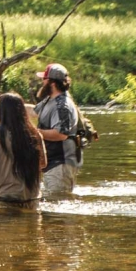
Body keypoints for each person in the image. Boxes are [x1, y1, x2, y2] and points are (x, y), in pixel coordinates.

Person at [0, 92, 47, 210]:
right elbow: (43, 164)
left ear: (1, 111)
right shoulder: (35, 134)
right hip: (33, 199)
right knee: (32, 228)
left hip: (5, 198)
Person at [30, 63, 80, 196]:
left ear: (51, 83)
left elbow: (61, 134)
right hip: (51, 164)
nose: (42, 82)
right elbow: (33, 111)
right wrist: (8, 103)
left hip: (61, 165)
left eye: (44, 79)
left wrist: (33, 132)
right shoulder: (50, 100)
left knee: (58, 207)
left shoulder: (62, 105)